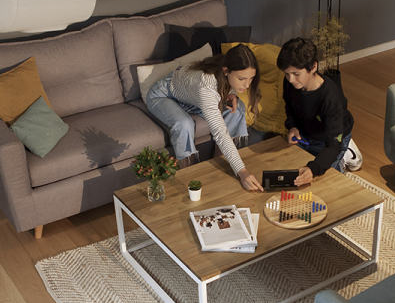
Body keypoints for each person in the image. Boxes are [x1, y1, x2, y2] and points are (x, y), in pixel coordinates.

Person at [145, 43, 265, 191]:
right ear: (226, 70)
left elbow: (226, 84)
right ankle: (189, 177)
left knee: (237, 108)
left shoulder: (225, 67)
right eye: (242, 79)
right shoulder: (206, 87)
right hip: (163, 95)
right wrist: (242, 170)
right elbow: (220, 132)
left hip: (191, 100)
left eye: (251, 78)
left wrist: (232, 93)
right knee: (184, 124)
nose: (247, 85)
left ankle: (217, 165)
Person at [276, 37, 358, 187]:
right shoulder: (290, 83)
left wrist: (313, 169)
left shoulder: (331, 98)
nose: (290, 79)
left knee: (326, 184)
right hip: (306, 134)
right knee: (290, 175)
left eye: (296, 74)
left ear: (313, 66)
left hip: (332, 139)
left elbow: (333, 145)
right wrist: (292, 126)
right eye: (287, 73)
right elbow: (290, 106)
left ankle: (345, 155)